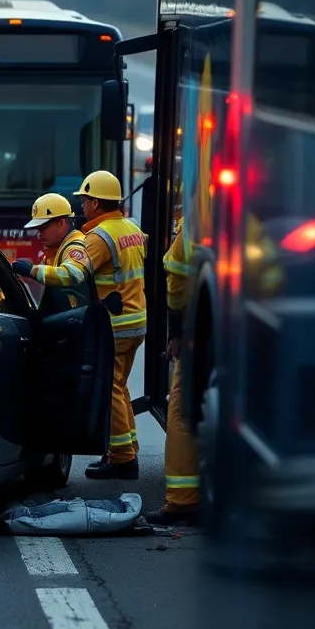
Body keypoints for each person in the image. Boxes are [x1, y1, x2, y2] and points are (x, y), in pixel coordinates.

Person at [72, 170, 148, 480]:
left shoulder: (99, 237)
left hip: (116, 325)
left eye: (85, 200)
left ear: (96, 203)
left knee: (111, 388)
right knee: (120, 385)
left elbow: (76, 273)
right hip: (136, 321)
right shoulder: (131, 227)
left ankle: (122, 459)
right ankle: (128, 446)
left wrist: (37, 270)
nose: (81, 207)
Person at [145, 217, 200, 525]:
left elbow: (176, 272)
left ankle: (183, 500)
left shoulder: (196, 221)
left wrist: (176, 330)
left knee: (180, 409)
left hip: (199, 329)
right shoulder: (251, 220)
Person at [11, 193, 89, 313]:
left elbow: (73, 275)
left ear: (62, 223)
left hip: (78, 324)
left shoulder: (76, 246)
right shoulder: (55, 248)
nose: (39, 234)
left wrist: (32, 270)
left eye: (43, 228)